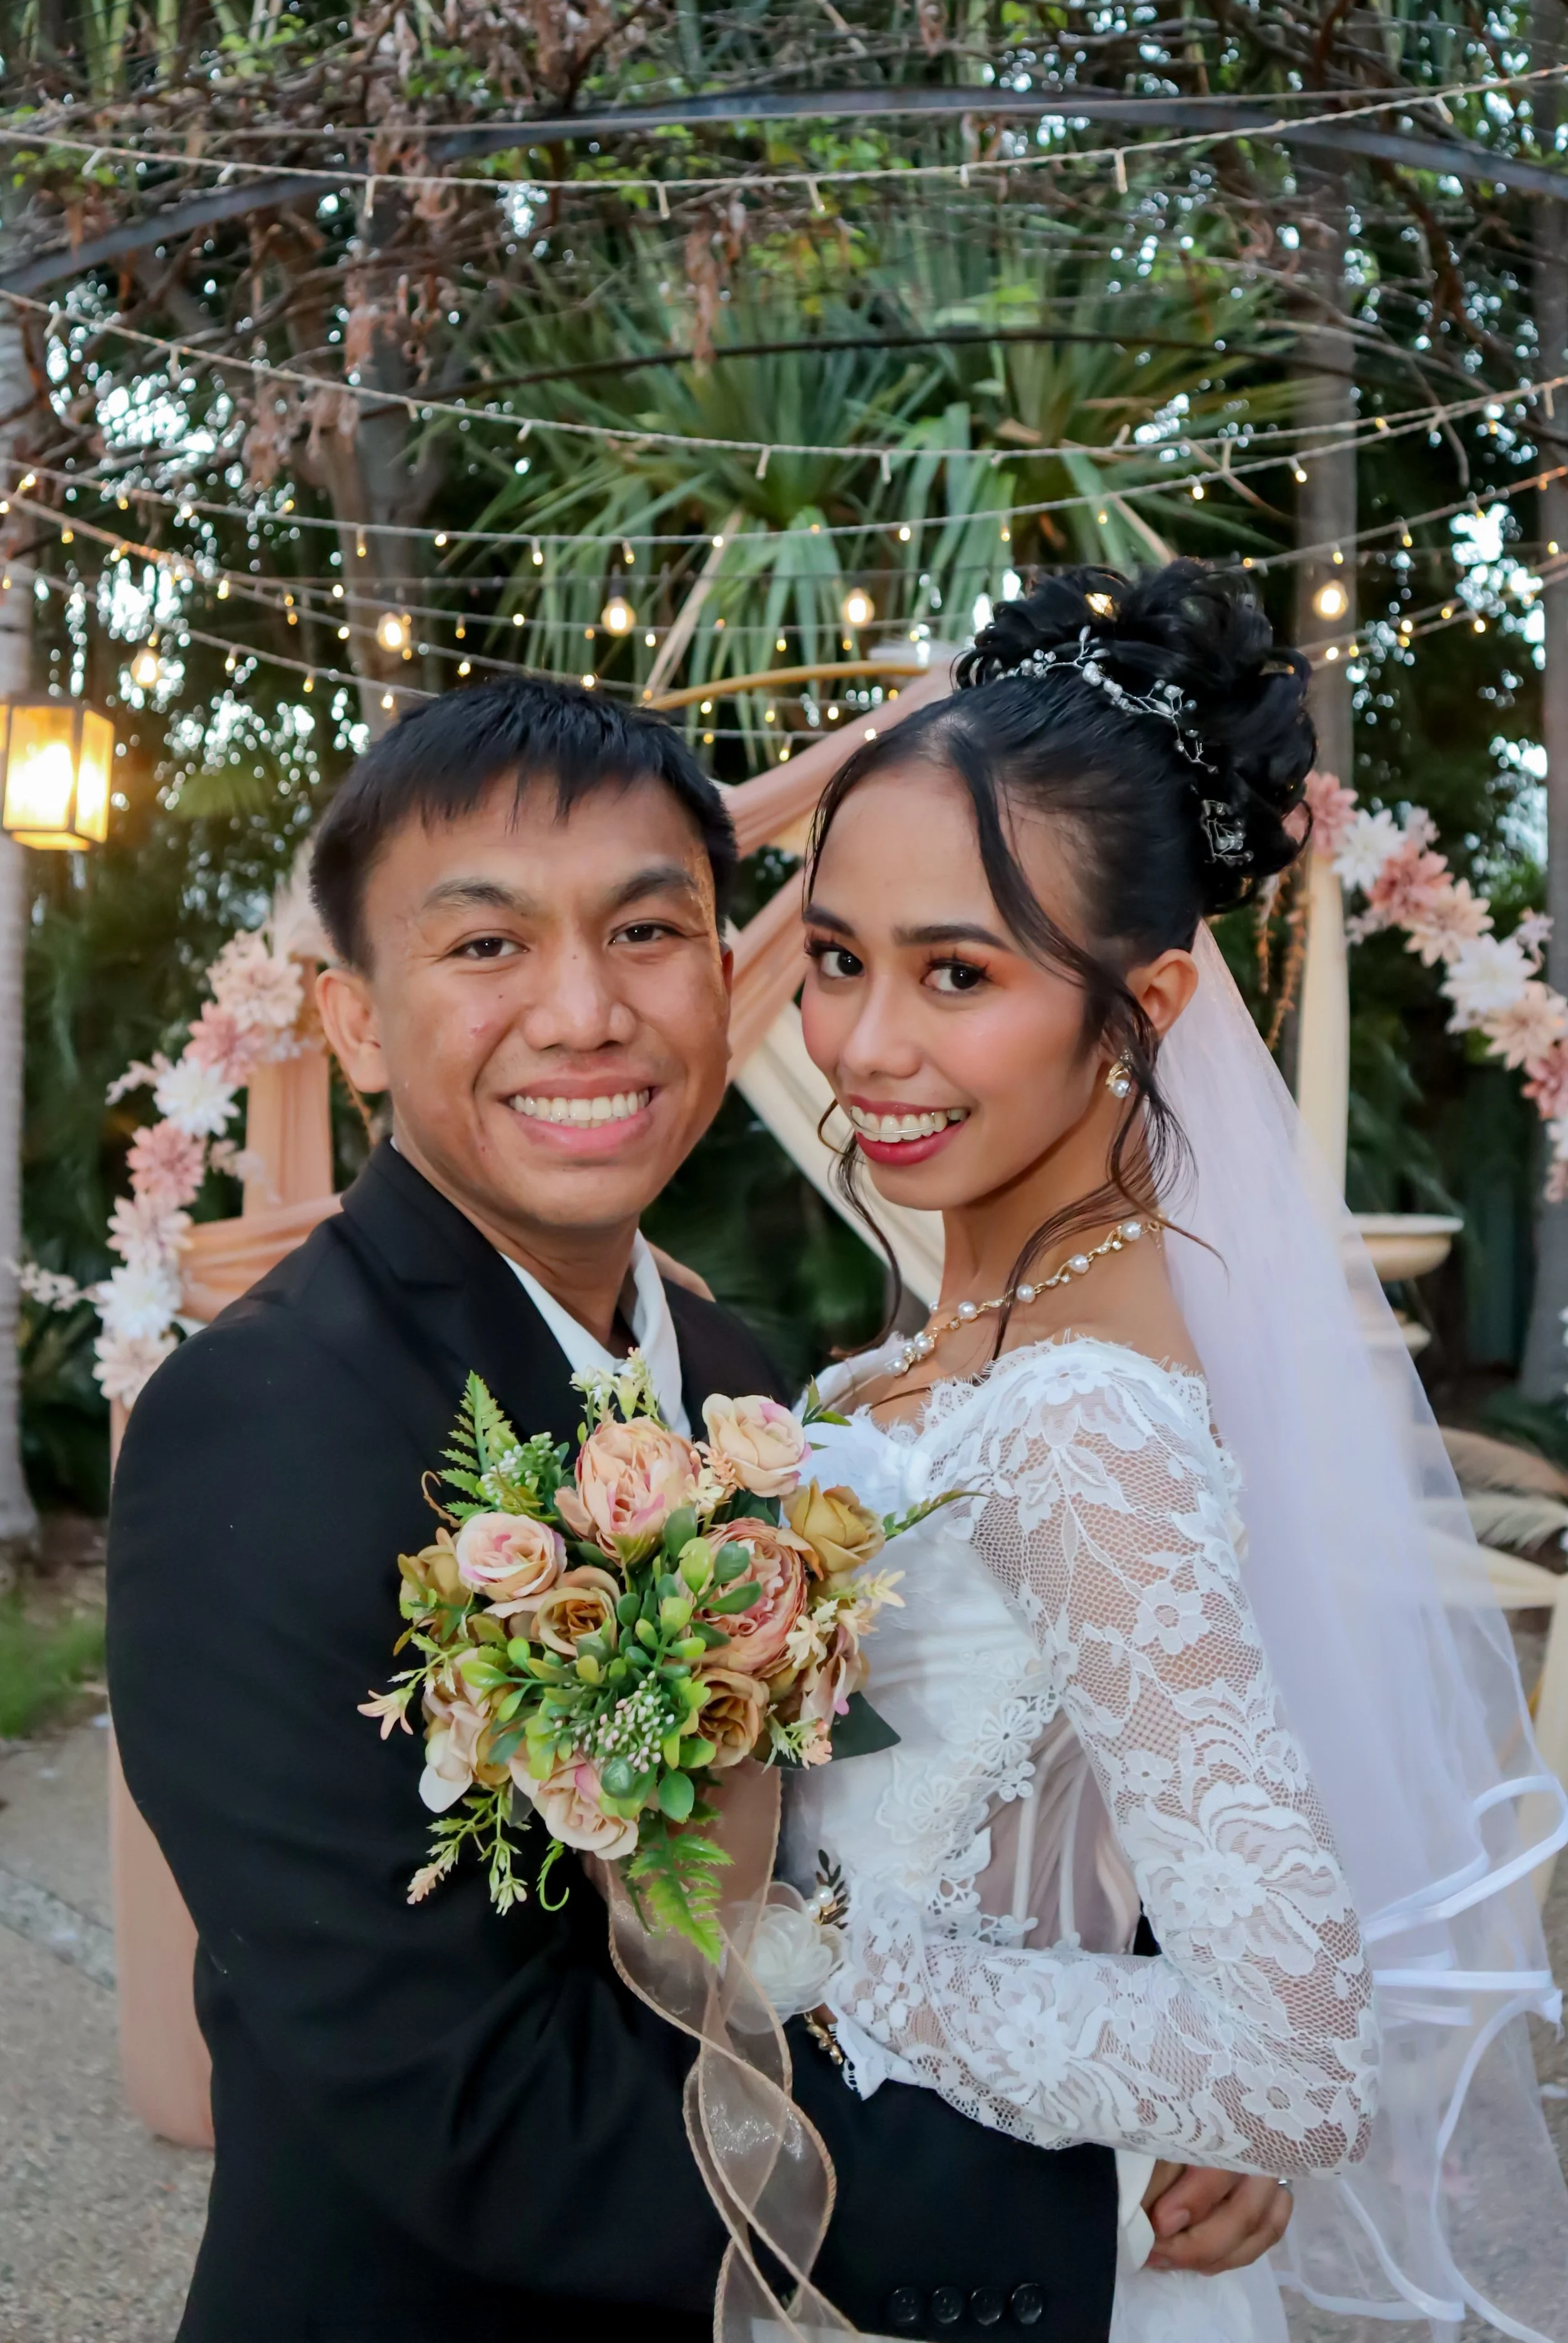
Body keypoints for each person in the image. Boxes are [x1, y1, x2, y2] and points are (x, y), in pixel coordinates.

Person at [107, 677, 1276, 2343]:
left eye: (647, 931)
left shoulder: (734, 1377)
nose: (585, 1011)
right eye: (488, 944)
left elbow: (907, 1813)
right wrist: (1090, 2169)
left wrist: (1160, 2027)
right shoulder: (260, 1425)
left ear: (725, 976)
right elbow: (472, 2101)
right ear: (355, 1022)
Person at [765, 563, 1568, 2343]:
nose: (865, 1043)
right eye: (833, 958)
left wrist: (796, 1963)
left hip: (1013, 2253)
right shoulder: (916, 1366)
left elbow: (1289, 2059)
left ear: (1149, 995)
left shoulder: (1083, 1418)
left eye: (957, 971)